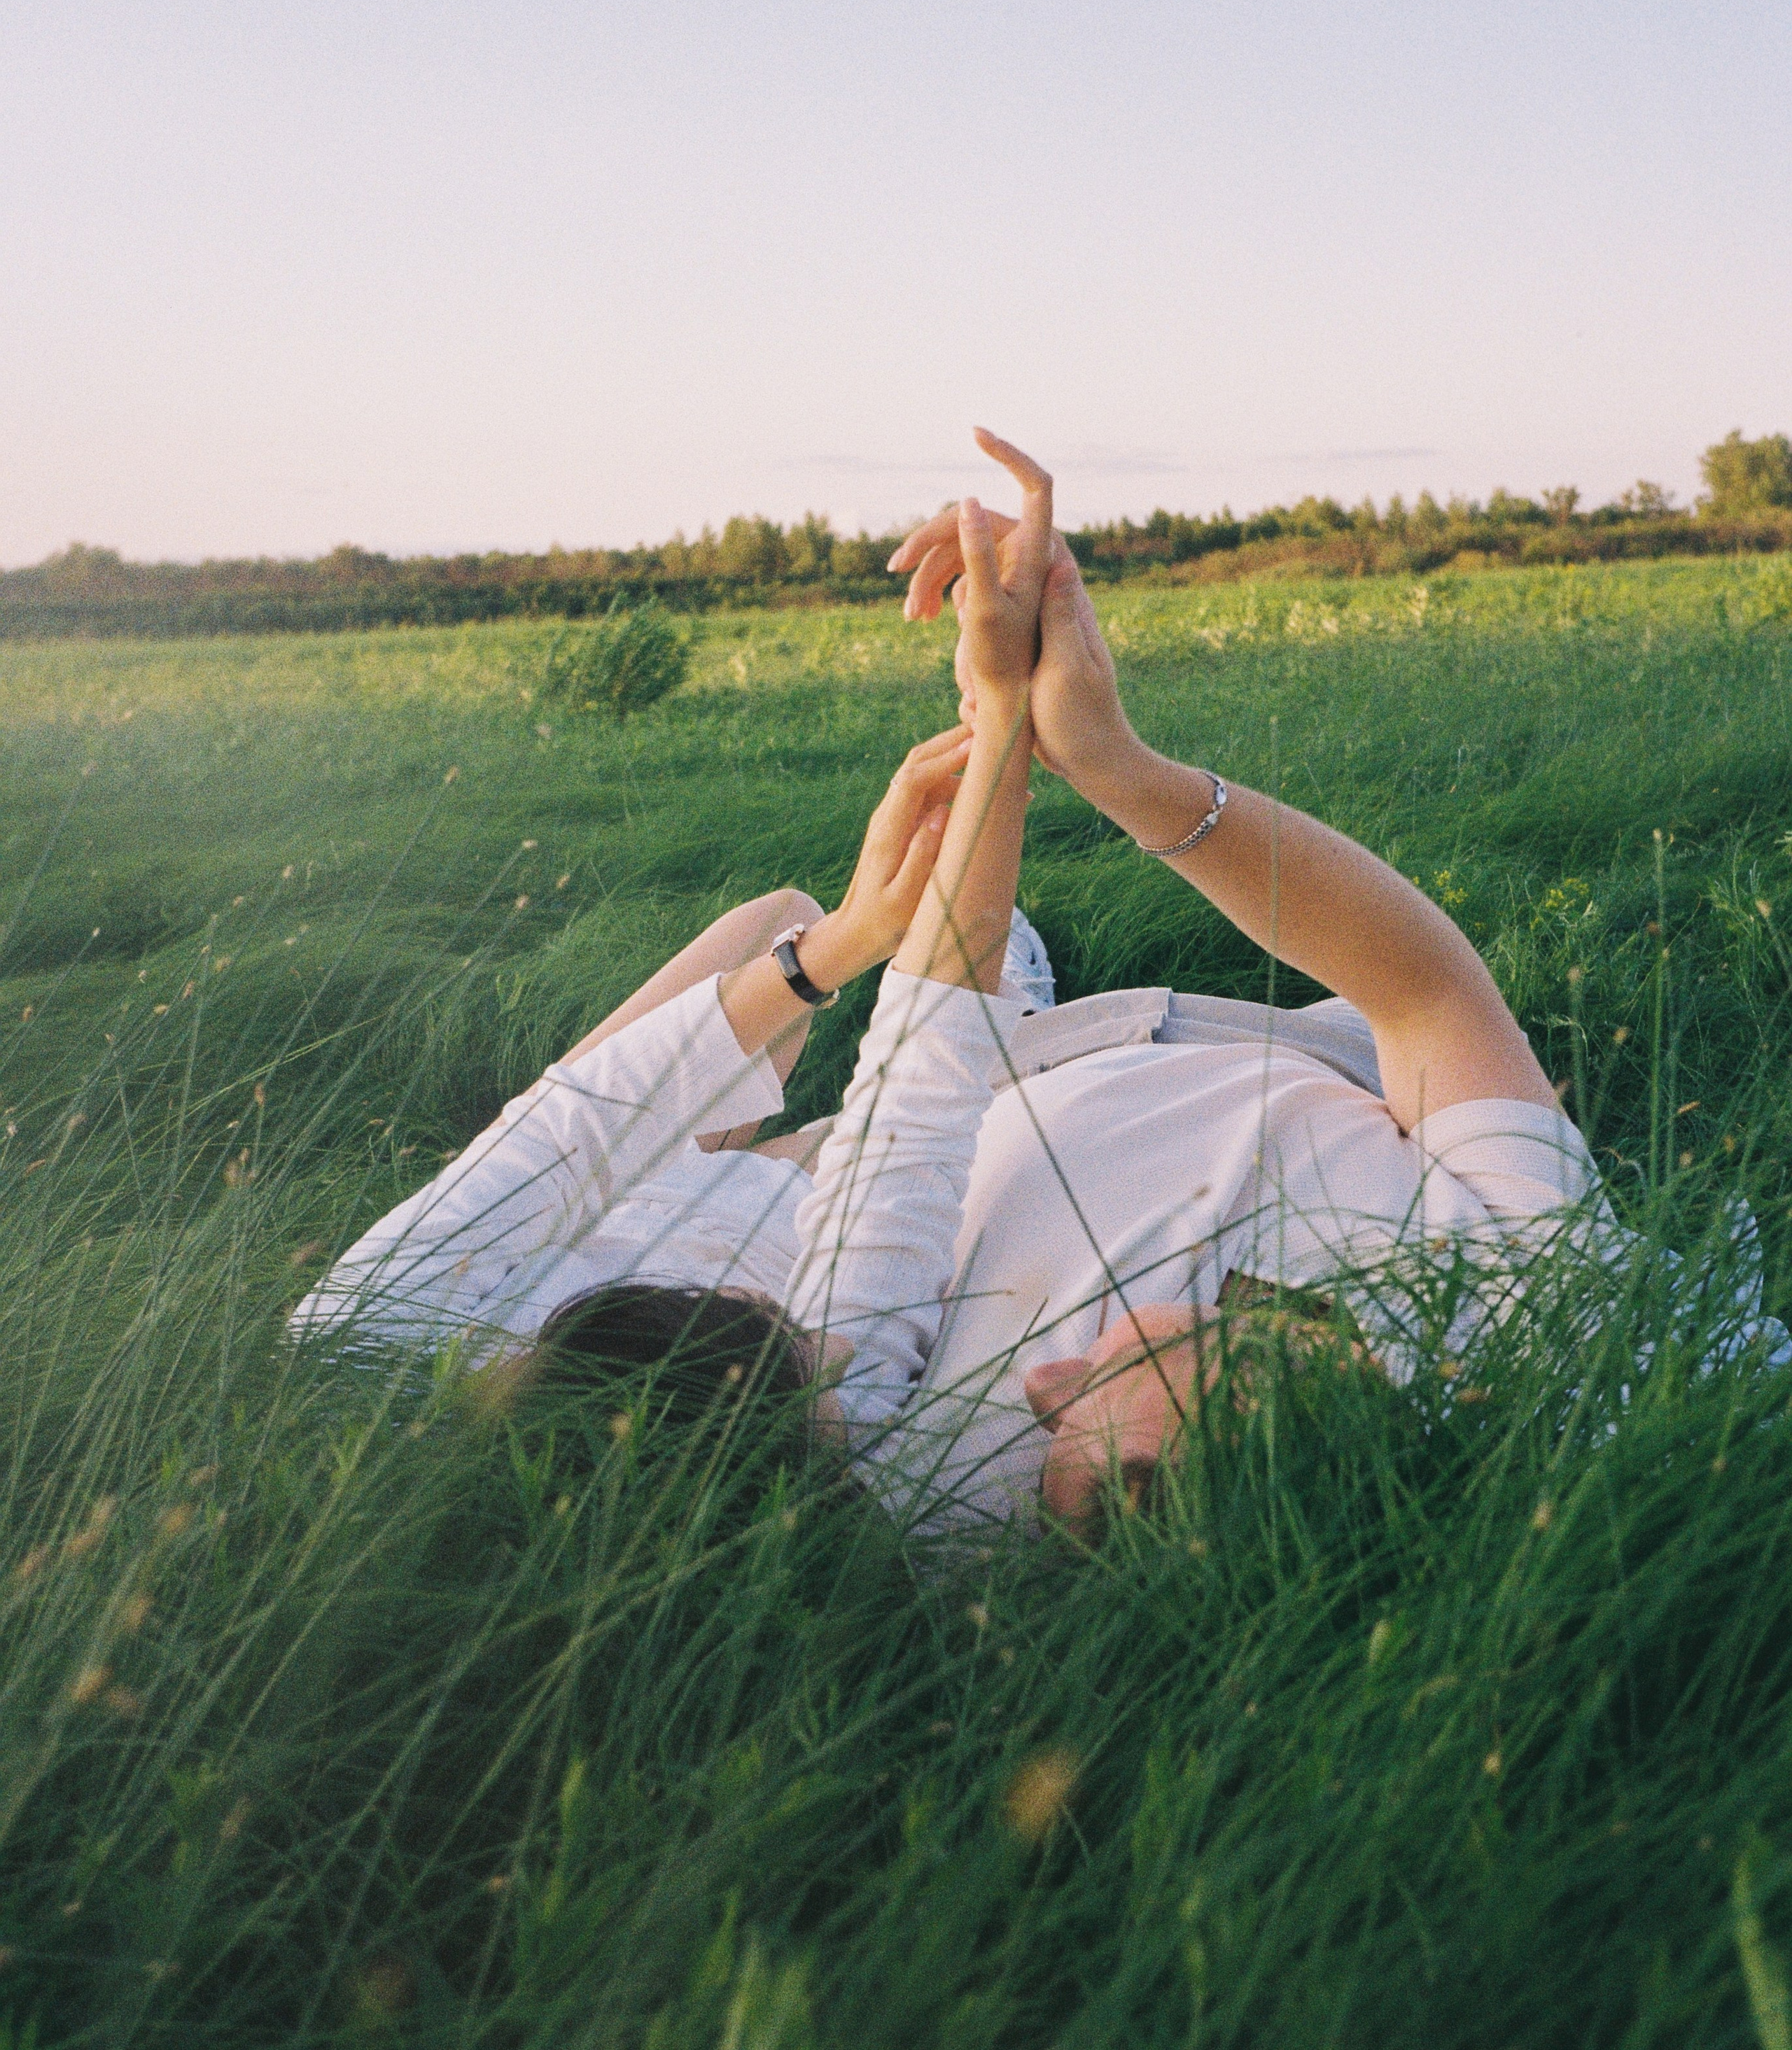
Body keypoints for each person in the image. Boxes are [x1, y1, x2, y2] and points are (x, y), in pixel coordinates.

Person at [295, 434, 1772, 1533]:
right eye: (1113, 1459)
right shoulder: (1562, 1336)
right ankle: (964, 997)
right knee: (983, 998)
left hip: (902, 1148)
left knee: (794, 963)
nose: (1047, 1385)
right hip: (1047, 1090)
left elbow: (905, 1117)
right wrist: (1096, 761)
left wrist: (879, 902)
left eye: (1081, 1476)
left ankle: (850, 1016)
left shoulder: (918, 1472)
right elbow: (1428, 988)